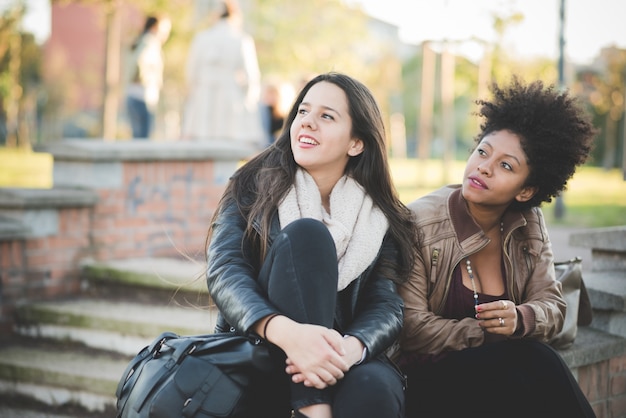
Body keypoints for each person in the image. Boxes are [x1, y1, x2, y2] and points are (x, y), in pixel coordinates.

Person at [205, 72, 418, 418]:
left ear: (356, 143)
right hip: (264, 343)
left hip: (341, 350)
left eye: (326, 116)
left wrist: (347, 350)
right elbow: (225, 272)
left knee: (374, 389)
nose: (307, 123)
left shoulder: (380, 217)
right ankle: (314, 409)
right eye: (303, 112)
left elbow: (386, 304)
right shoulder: (250, 185)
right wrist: (288, 334)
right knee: (309, 236)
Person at [396, 78, 597, 417]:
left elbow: (553, 305)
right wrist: (489, 334)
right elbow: (411, 328)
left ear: (525, 190)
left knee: (531, 369)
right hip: (425, 381)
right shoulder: (419, 223)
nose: (483, 167)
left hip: (501, 379)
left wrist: (520, 318)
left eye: (506, 165)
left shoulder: (528, 223)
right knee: (535, 362)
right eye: (482, 152)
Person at [182, 0, 264, 146]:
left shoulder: (202, 38)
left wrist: (193, 93)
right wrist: (249, 100)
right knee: (228, 140)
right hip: (229, 95)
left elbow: (191, 71)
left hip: (204, 94)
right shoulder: (241, 39)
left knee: (203, 138)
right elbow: (251, 75)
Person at [125, 14, 171, 139]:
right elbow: (139, 61)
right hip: (144, 97)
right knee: (143, 144)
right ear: (155, 27)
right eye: (165, 29)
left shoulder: (139, 40)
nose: (166, 34)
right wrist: (143, 78)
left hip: (132, 95)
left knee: (137, 140)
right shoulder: (150, 42)